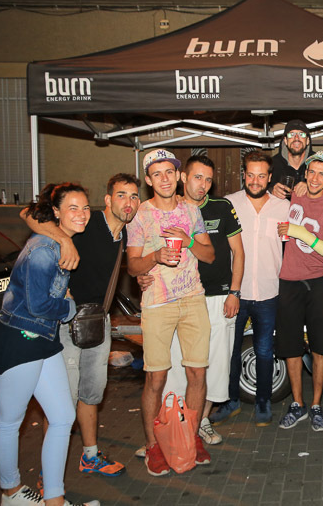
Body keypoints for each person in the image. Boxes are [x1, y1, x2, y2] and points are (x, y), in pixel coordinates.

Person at [0, 183, 100, 506]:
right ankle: (11, 493)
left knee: (63, 417)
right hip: (20, 339)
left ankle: (54, 500)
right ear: (56, 213)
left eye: (85, 208)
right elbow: (38, 306)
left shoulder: (58, 243)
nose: (81, 214)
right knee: (9, 421)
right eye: (73, 208)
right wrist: (69, 306)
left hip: (44, 339)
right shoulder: (43, 250)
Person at [21, 174, 140, 481]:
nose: (128, 202)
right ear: (108, 199)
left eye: (134, 196)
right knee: (63, 402)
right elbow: (28, 214)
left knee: (91, 394)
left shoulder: (125, 233)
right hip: (65, 324)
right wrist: (63, 240)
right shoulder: (86, 223)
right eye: (122, 195)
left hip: (97, 322)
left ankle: (90, 456)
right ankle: (48, 477)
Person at [126, 148, 215, 476]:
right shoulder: (140, 214)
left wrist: (188, 241)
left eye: (169, 172)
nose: (164, 179)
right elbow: (132, 265)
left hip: (192, 299)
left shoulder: (191, 211)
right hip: (157, 303)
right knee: (156, 377)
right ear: (149, 180)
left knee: (198, 374)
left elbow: (209, 255)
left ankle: (191, 438)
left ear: (178, 175)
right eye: (157, 174)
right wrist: (155, 256)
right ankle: (153, 446)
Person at [160, 155, 244, 445]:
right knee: (177, 365)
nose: (203, 185)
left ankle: (202, 420)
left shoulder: (221, 207)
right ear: (183, 177)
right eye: (197, 177)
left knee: (216, 366)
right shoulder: (169, 209)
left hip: (218, 297)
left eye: (208, 179)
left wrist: (234, 292)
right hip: (180, 298)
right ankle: (177, 424)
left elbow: (238, 252)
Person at [275, 151, 323, 431]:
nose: (315, 178)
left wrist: (301, 233)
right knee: (290, 347)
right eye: (311, 172)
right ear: (305, 174)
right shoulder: (293, 195)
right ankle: (297, 403)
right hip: (288, 281)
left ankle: (315, 405)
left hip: (318, 283)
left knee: (320, 347)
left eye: (321, 174)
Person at [221, 151, 289, 426]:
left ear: (269, 177)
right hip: (235, 293)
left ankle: (263, 402)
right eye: (250, 175)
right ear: (244, 175)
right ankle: (230, 402)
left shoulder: (284, 207)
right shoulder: (229, 204)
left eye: (261, 176)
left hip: (269, 292)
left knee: (264, 351)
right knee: (230, 351)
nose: (255, 181)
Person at [268, 119, 316, 200]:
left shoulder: (317, 162)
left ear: (307, 140)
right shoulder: (272, 164)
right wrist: (271, 190)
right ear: (285, 140)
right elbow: (257, 189)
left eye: (301, 134)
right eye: (291, 134)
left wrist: (311, 187)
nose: (296, 138)